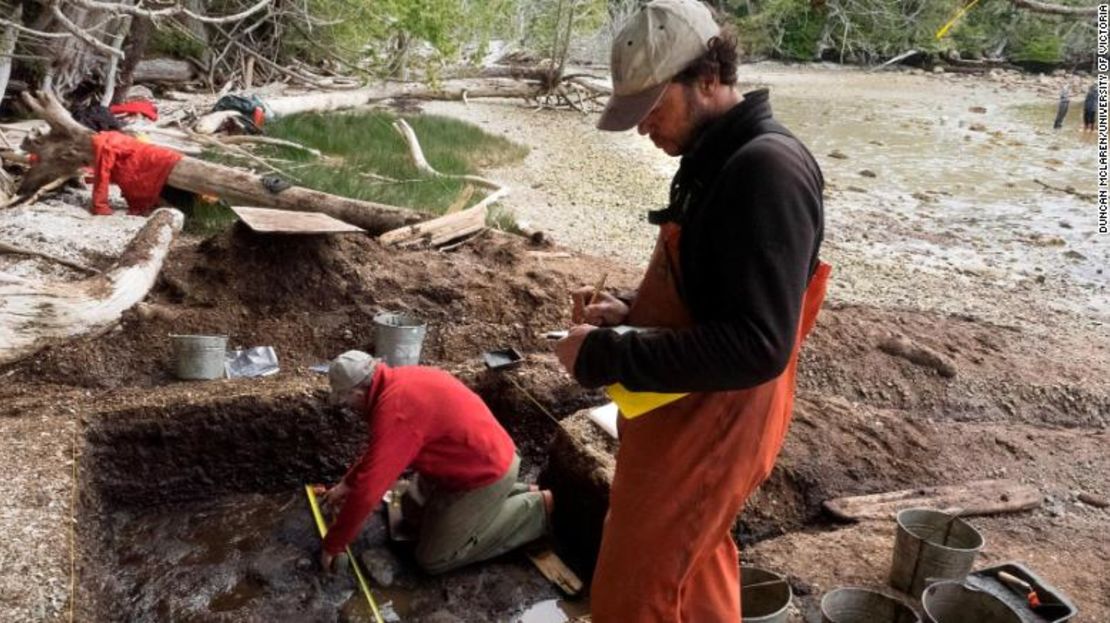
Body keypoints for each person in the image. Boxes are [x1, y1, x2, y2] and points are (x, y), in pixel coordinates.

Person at [553, 1, 829, 620]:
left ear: (708, 78)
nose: (644, 127)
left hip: (719, 420)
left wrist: (606, 354)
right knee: (693, 569)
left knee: (637, 593)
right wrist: (629, 308)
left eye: (653, 106)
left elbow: (758, 345)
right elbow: (713, 293)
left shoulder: (767, 170)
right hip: (684, 406)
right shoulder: (713, 160)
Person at [318, 350, 552, 575]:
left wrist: (333, 544)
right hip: (476, 459)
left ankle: (535, 509)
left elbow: (369, 491)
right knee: (410, 512)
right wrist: (347, 484)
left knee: (434, 558)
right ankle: (510, 493)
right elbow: (379, 454)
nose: (349, 407)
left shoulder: (396, 411)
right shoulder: (399, 380)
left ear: (358, 394)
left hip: (484, 474)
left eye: (346, 400)